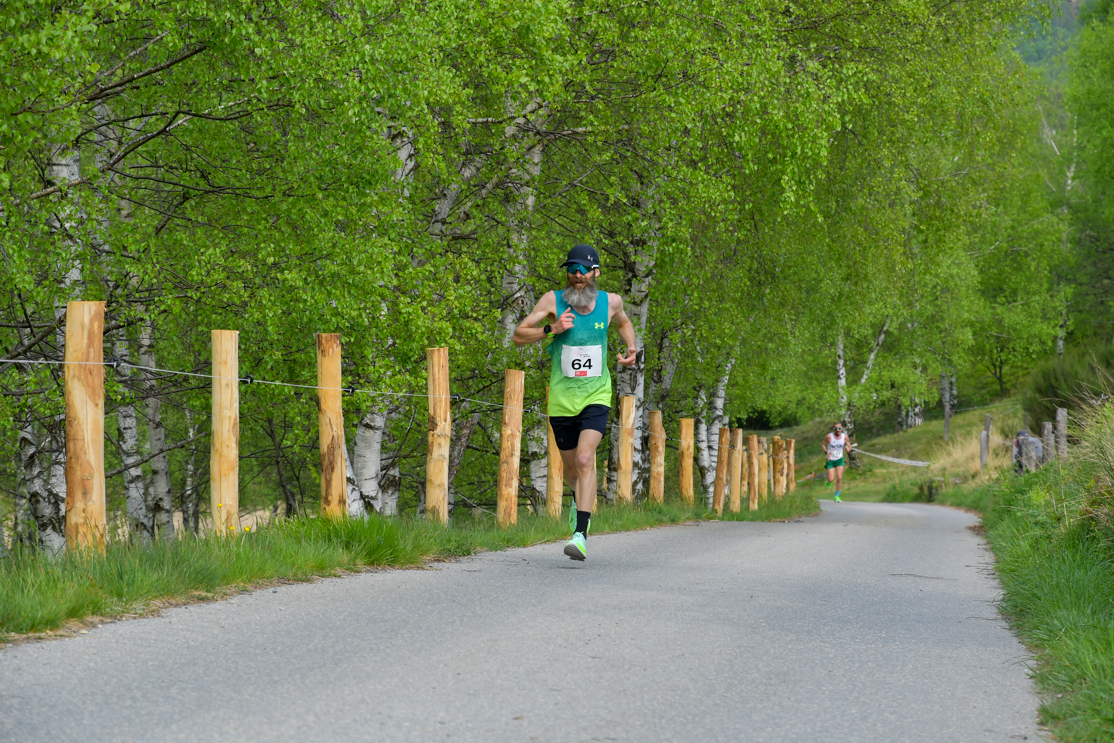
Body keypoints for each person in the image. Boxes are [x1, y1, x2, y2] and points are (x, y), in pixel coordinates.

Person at [513, 243, 637, 561]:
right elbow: (518, 334)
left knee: (585, 460)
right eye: (572, 269)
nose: (577, 275)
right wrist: (550, 329)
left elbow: (623, 323)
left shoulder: (611, 302)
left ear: (596, 272)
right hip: (562, 400)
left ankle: (580, 534)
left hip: (596, 396)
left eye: (583, 269)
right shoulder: (552, 301)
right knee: (571, 469)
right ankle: (577, 499)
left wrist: (631, 348)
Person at [821, 423, 849, 502]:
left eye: (839, 428)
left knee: (840, 477)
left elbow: (848, 446)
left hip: (839, 459)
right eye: (836, 429)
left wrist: (848, 449)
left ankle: (837, 496)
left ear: (841, 429)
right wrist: (826, 451)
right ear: (834, 429)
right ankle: (829, 482)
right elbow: (822, 445)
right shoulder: (829, 437)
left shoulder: (845, 437)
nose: (838, 430)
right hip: (831, 460)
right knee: (831, 479)